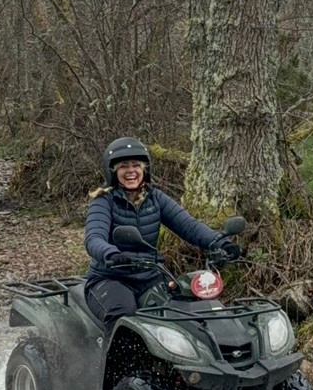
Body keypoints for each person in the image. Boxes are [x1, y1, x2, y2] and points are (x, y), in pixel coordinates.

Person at [84, 136, 242, 331]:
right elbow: (94, 238)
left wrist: (220, 242)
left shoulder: (155, 198)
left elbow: (189, 226)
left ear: (144, 170)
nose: (131, 171)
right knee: (123, 316)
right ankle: (114, 361)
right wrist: (111, 253)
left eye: (136, 165)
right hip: (110, 278)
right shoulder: (103, 201)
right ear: (113, 171)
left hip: (150, 276)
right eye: (124, 166)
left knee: (181, 312)